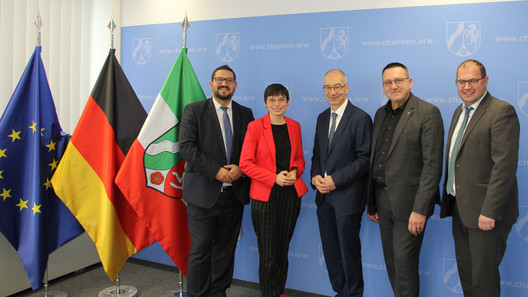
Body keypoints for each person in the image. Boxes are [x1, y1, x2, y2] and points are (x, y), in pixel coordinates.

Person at [440, 59, 520, 297]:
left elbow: (503, 167)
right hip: (461, 210)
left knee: (483, 284)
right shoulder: (459, 111)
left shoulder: (501, 112)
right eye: (461, 82)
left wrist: (490, 211)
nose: (467, 87)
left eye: (473, 81)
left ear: (485, 81)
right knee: (467, 277)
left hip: (486, 215)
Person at [367, 62, 444, 297]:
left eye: (399, 80)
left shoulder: (428, 112)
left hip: (410, 205)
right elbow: (376, 159)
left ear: (410, 82)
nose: (394, 86)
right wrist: (372, 203)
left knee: (405, 267)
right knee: (392, 264)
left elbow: (432, 166)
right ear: (383, 86)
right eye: (388, 82)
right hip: (382, 200)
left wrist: (420, 210)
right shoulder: (380, 113)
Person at [179, 65, 254, 297]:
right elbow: (186, 147)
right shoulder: (194, 110)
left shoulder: (246, 113)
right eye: (219, 79)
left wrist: (241, 169)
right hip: (203, 195)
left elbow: (252, 149)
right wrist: (216, 171)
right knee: (201, 249)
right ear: (211, 83)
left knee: (226, 248)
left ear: (235, 85)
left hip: (234, 195)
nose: (224, 84)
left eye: (229, 80)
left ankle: (218, 291)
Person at [239, 83, 308, 297]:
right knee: (268, 253)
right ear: (265, 103)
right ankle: (269, 293)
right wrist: (273, 178)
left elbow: (299, 158)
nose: (277, 104)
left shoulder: (294, 126)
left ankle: (279, 292)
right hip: (264, 195)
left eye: (281, 100)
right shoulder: (255, 127)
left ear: (288, 102)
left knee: (282, 250)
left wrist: (295, 172)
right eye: (272, 100)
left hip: (290, 194)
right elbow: (245, 163)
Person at [311, 69, 372, 297]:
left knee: (349, 252)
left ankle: (354, 294)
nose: (332, 92)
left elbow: (364, 159)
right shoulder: (321, 118)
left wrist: (335, 181)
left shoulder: (360, 118)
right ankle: (340, 292)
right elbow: (317, 155)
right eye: (327, 87)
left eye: (337, 87)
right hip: (323, 198)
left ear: (347, 88)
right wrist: (315, 176)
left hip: (347, 197)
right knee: (331, 252)